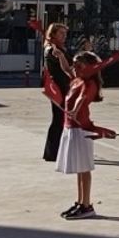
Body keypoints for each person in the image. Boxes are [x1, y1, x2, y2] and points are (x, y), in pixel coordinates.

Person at [56, 51, 119, 220]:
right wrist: (60, 55)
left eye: (79, 66)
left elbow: (83, 99)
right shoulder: (77, 80)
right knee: (79, 169)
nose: (75, 69)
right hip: (71, 128)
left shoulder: (89, 83)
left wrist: (75, 111)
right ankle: (80, 202)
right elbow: (65, 69)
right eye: (75, 65)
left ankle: (86, 205)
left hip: (81, 129)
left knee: (84, 169)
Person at [42, 23, 72, 162]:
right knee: (58, 119)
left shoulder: (59, 48)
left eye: (65, 33)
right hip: (58, 87)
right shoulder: (52, 49)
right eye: (61, 33)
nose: (64, 36)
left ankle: (54, 151)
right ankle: (52, 153)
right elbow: (63, 68)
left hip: (62, 86)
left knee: (60, 118)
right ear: (53, 34)